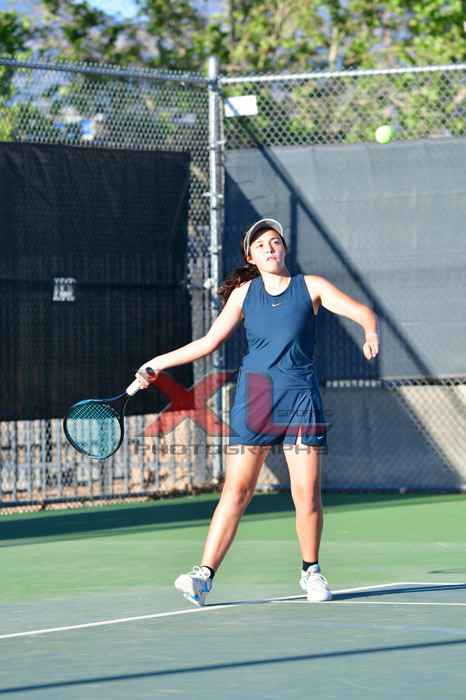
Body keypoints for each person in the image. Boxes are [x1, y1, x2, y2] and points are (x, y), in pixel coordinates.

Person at [135, 218, 379, 605]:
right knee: (237, 490)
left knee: (306, 493)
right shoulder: (244, 294)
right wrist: (157, 363)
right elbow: (209, 342)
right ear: (251, 257)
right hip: (256, 400)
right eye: (261, 245)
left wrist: (370, 333)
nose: (269, 247)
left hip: (301, 400)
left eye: (275, 241)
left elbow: (362, 311)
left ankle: (311, 572)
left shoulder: (311, 287)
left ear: (284, 249)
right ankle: (203, 576)